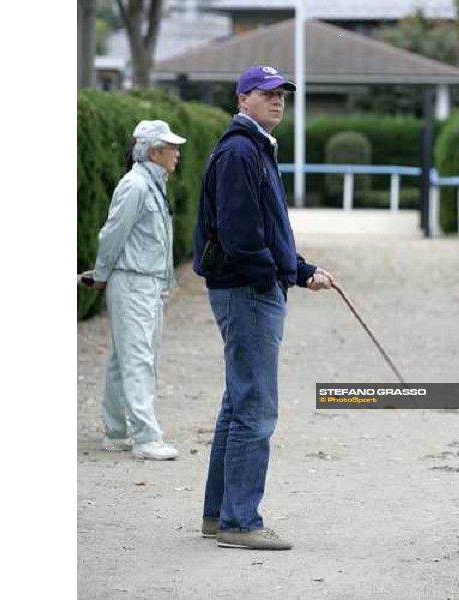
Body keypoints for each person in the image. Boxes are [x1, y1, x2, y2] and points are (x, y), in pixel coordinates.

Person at [193, 66, 334, 550]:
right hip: (247, 292)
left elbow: (269, 230)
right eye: (266, 93)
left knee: (238, 404)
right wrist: (268, 279)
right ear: (242, 99)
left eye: (282, 95)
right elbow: (241, 235)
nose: (277, 101)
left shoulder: (253, 147)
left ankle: (219, 517)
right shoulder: (239, 151)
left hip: (251, 287)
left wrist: (300, 269)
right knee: (255, 408)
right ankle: (239, 523)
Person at [85, 120, 186, 460]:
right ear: (155, 152)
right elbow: (112, 233)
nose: (177, 153)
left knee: (123, 358)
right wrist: (101, 273)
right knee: (139, 358)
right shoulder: (136, 186)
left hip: (146, 281)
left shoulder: (152, 184)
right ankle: (146, 438)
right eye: (172, 148)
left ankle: (117, 431)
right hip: (134, 282)